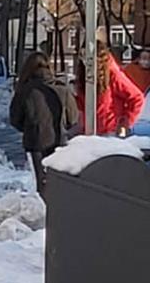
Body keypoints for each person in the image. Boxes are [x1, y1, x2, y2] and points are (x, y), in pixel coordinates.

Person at [10, 52, 78, 196]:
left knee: (42, 182)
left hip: (35, 142)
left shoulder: (25, 90)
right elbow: (73, 118)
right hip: (59, 140)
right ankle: (59, 205)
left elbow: (15, 119)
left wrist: (30, 127)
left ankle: (45, 206)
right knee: (59, 181)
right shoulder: (62, 89)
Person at [74, 37, 144, 136]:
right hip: (88, 131)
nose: (85, 61)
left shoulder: (112, 74)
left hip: (110, 132)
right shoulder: (83, 75)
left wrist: (125, 123)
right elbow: (82, 104)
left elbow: (137, 97)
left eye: (87, 55)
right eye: (82, 55)